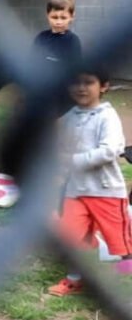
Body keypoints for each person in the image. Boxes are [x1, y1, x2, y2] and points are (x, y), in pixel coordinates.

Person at [49, 66, 132, 296]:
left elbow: (110, 150)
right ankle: (74, 280)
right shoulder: (71, 115)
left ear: (104, 86)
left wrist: (73, 160)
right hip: (75, 191)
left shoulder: (107, 116)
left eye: (88, 82)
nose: (81, 88)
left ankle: (127, 266)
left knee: (120, 240)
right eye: (76, 83)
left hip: (106, 191)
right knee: (71, 236)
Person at [32, 0, 82, 114]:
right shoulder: (41, 38)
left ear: (72, 17)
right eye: (54, 17)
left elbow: (75, 69)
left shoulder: (73, 41)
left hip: (64, 94)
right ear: (47, 15)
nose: (58, 22)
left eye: (63, 18)